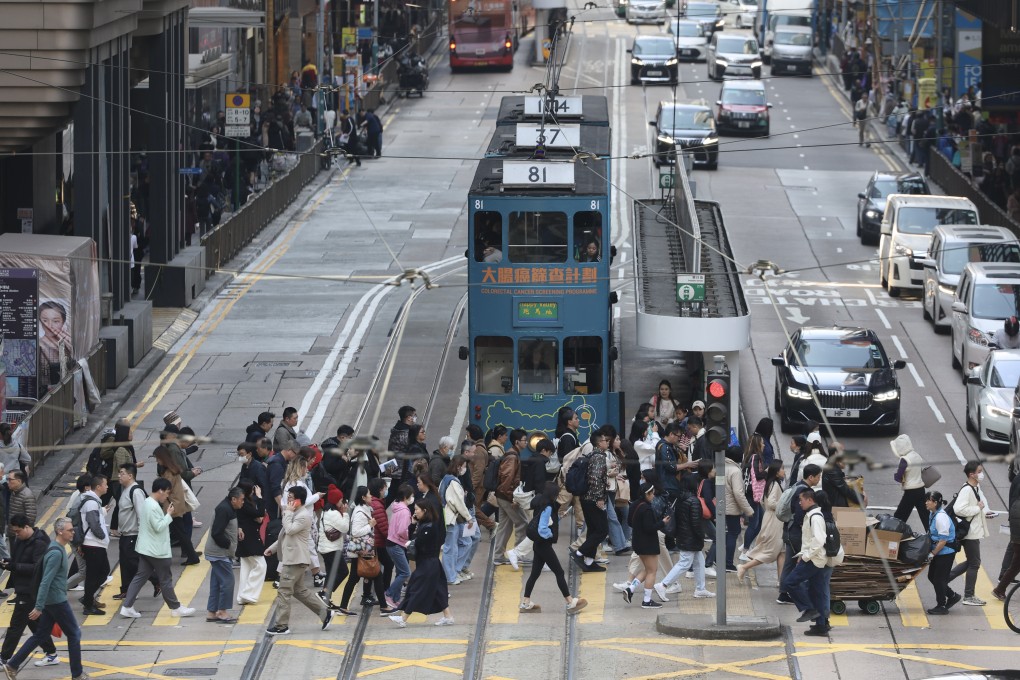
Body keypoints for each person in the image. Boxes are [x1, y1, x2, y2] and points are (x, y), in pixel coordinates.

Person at [1, 519, 84, 680]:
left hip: (51, 600)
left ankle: (12, 665)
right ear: (60, 531)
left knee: (40, 635)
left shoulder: (55, 547)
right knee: (74, 634)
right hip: (56, 601)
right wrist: (39, 606)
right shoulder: (55, 552)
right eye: (70, 530)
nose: (73, 532)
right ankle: (77, 674)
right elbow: (46, 580)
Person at [119, 478, 196, 619]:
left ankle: (127, 606)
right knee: (165, 579)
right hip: (157, 550)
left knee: (140, 577)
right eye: (166, 493)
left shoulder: (148, 503)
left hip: (146, 548)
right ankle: (176, 608)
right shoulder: (153, 506)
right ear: (160, 491)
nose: (167, 496)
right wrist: (168, 515)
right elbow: (159, 526)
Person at [264, 486, 334, 635]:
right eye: (287, 497)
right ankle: (325, 613)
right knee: (299, 590)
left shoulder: (303, 516)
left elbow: (289, 529)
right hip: (294, 558)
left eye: (291, 498)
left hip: (295, 560)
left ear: (299, 500)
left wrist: (287, 513)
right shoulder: (294, 513)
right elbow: (286, 535)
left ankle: (281, 625)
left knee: (283, 591)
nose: (288, 501)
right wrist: (273, 548)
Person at [519, 481, 588, 615]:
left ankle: (525, 603)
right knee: (559, 572)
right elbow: (543, 528)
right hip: (544, 545)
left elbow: (543, 520)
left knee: (534, 574)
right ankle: (570, 603)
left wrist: (557, 518)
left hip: (538, 544)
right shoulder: (548, 507)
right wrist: (550, 534)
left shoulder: (539, 502)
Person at [781, 488, 842, 636]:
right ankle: (821, 626)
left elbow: (819, 540)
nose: (799, 503)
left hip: (814, 559)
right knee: (818, 591)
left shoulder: (815, 517)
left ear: (810, 500)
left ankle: (809, 609)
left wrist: (806, 556)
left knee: (789, 582)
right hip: (816, 558)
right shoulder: (813, 514)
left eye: (801, 500)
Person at [1, 514, 58, 668]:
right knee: (34, 623)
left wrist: (13, 566)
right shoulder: (21, 540)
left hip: (31, 589)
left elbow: (36, 568)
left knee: (16, 625)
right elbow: (18, 561)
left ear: (27, 527)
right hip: (23, 587)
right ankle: (51, 653)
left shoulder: (40, 543)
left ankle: (4, 658)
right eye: (14, 532)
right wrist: (8, 563)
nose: (16, 535)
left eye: (18, 531)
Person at [388, 501, 455, 627]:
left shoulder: (430, 526)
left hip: (428, 564)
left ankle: (403, 618)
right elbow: (411, 536)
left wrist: (412, 540)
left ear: (424, 510)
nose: (415, 512)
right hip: (429, 563)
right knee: (438, 590)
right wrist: (413, 524)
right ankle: (448, 616)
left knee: (416, 589)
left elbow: (418, 541)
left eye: (417, 510)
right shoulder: (423, 524)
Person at [654, 473, 716, 601]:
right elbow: (695, 523)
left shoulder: (681, 498)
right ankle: (663, 585)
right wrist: (700, 536)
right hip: (690, 538)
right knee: (684, 563)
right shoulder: (694, 500)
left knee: (699, 562)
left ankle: (700, 589)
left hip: (683, 536)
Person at [777, 464, 822, 605]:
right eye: (818, 477)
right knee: (804, 563)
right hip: (796, 533)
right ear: (811, 477)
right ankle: (798, 593)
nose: (819, 480)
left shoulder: (797, 485)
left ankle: (783, 594)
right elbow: (799, 514)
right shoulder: (804, 491)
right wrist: (805, 527)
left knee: (789, 564)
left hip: (789, 531)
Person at [738, 461, 786, 585]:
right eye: (782, 469)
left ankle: (781, 582)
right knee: (770, 552)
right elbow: (770, 503)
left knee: (781, 551)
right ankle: (744, 567)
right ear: (776, 472)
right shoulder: (774, 485)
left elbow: (763, 501)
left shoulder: (771, 483)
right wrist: (784, 507)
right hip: (774, 521)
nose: (784, 471)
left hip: (773, 519)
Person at [112, 464, 156, 602]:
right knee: (125, 564)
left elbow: (142, 515)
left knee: (134, 563)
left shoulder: (136, 491)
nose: (119, 475)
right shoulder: (125, 490)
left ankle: (157, 580)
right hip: (125, 534)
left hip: (134, 534)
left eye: (122, 473)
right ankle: (125, 590)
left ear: (130, 475)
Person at [948, 462, 989, 606]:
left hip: (972, 531)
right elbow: (958, 509)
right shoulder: (967, 490)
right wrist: (977, 509)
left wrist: (984, 511)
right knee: (975, 563)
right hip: (969, 532)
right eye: (979, 471)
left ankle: (943, 580)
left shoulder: (975, 487)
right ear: (972, 474)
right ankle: (968, 596)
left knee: (971, 561)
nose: (981, 474)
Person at [622, 482, 669, 609]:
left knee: (647, 569)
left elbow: (630, 522)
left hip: (638, 542)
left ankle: (630, 589)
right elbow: (650, 528)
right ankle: (647, 601)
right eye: (652, 493)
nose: (653, 495)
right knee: (652, 571)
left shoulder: (635, 505)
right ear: (647, 494)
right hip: (648, 544)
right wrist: (662, 523)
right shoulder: (647, 509)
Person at [153, 445, 201, 566]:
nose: (156, 461)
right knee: (180, 532)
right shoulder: (173, 469)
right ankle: (192, 555)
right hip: (176, 504)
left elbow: (164, 489)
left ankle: (192, 556)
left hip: (172, 506)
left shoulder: (169, 473)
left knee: (178, 532)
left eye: (157, 458)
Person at [573, 431, 610, 573]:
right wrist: (600, 498)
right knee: (602, 530)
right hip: (594, 499)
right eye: (605, 440)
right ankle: (579, 553)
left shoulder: (591, 456)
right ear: (599, 443)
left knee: (593, 530)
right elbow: (595, 478)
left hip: (586, 498)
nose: (607, 442)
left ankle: (589, 562)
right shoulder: (599, 457)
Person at [338, 485, 380, 613]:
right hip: (359, 551)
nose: (371, 496)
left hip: (361, 550)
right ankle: (344, 606)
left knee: (356, 577)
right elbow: (355, 532)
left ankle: (346, 605)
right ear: (363, 497)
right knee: (359, 577)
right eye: (368, 494)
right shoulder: (359, 512)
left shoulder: (365, 508)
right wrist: (370, 525)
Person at [493, 429, 530, 566]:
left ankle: (498, 556)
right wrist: (512, 498)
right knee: (522, 523)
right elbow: (507, 477)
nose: (526, 442)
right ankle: (519, 554)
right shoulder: (513, 456)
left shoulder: (511, 454)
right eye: (524, 440)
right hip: (507, 496)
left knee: (505, 526)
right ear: (517, 442)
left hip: (502, 495)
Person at [206, 488, 243, 623]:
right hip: (219, 553)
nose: (242, 502)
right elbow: (217, 532)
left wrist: (237, 529)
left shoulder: (228, 507)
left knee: (216, 582)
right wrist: (228, 545)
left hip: (217, 553)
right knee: (228, 581)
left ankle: (212, 612)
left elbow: (226, 526)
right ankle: (222, 611)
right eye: (241, 499)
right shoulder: (224, 509)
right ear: (234, 499)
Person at [79, 474, 111, 616]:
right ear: (98, 487)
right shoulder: (91, 503)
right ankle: (88, 603)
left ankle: (88, 597)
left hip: (96, 544)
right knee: (96, 574)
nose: (107, 486)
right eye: (105, 484)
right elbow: (93, 523)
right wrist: (102, 536)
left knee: (103, 572)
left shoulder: (92, 501)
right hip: (93, 544)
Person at [925, 491, 961, 614]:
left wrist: (932, 554)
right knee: (932, 576)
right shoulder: (933, 513)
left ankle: (941, 606)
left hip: (946, 552)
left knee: (939, 580)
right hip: (939, 551)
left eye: (928, 500)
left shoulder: (941, 517)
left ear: (935, 503)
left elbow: (943, 541)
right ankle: (952, 596)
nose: (926, 503)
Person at [440, 455, 473, 586]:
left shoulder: (446, 479)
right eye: (464, 466)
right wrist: (469, 518)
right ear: (459, 467)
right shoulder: (453, 482)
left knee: (465, 542)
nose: (465, 469)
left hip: (454, 518)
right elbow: (459, 503)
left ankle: (454, 571)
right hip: (453, 518)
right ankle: (450, 576)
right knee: (451, 548)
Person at [235, 480, 266, 606]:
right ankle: (248, 594)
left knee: (246, 567)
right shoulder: (246, 504)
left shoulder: (241, 503)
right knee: (261, 565)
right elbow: (260, 513)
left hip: (245, 537)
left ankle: (242, 596)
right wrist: (260, 498)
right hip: (250, 538)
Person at [723, 446, 754, 572]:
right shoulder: (735, 471)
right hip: (732, 507)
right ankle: (728, 563)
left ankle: (715, 557)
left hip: (722, 505)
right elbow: (738, 493)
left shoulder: (722, 466)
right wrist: (748, 510)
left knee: (725, 534)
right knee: (733, 533)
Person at [383, 484, 413, 610]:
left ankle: (395, 598)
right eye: (411, 496)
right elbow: (402, 530)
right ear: (406, 497)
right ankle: (389, 594)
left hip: (391, 543)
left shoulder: (396, 508)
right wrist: (409, 537)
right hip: (397, 544)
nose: (413, 498)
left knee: (400, 571)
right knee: (406, 572)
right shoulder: (405, 511)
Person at [5, 473, 35, 544]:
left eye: (10, 480)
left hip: (21, 535)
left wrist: (22, 533)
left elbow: (30, 517)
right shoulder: (14, 493)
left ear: (18, 481)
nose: (8, 482)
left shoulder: (27, 495)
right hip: (14, 533)